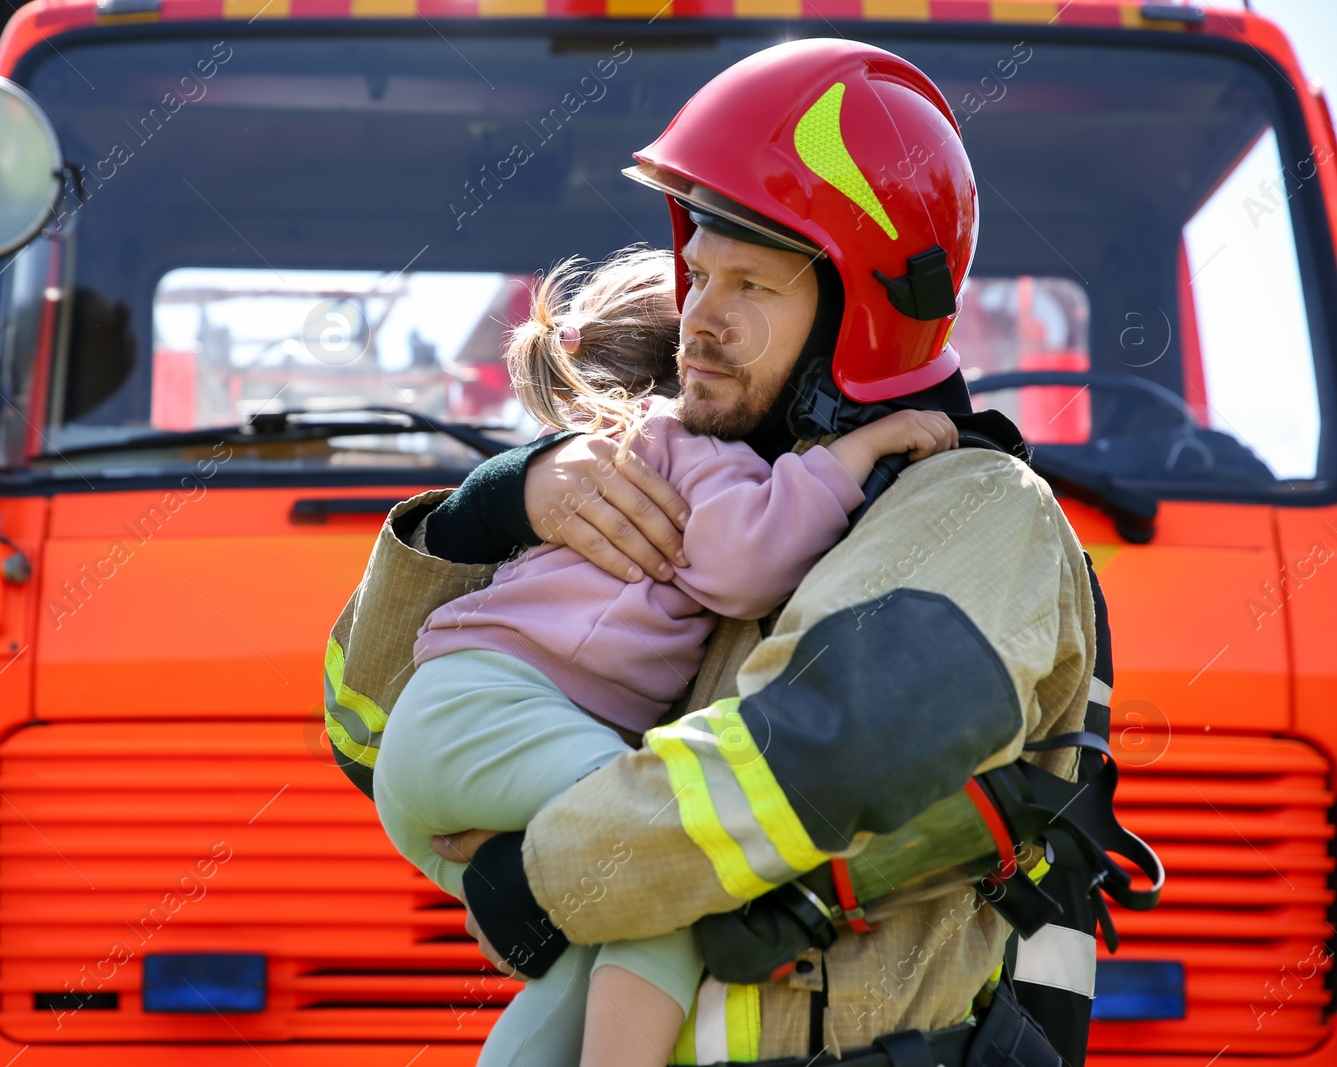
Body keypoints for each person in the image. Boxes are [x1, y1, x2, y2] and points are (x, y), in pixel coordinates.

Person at [327, 38, 1097, 1065]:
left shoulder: (973, 508)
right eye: (695, 275)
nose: (700, 319)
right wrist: (489, 514)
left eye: (752, 286)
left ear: (863, 308)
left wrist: (550, 869)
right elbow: (372, 738)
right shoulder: (715, 481)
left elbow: (820, 749)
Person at [371, 249, 957, 1067]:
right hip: (493, 712)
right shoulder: (691, 443)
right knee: (671, 875)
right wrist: (853, 457)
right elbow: (744, 566)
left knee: (591, 953)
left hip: (445, 741)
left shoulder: (606, 452)